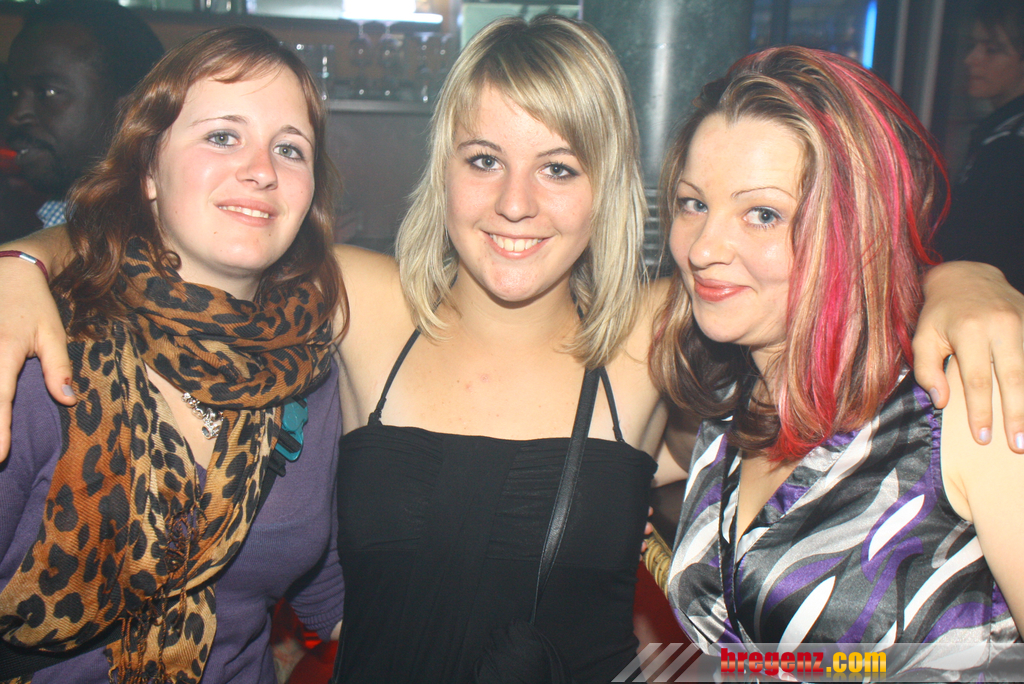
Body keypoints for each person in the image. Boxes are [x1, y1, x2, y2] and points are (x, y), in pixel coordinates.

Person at [2, 14, 1024, 684]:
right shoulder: (358, 300)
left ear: (608, 188)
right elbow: (179, 240)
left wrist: (966, 285)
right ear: (443, 171)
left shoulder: (655, 328)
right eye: (485, 159)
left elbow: (817, 275)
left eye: (559, 168)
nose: (516, 205)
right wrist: (24, 261)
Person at [656, 46, 1022, 666]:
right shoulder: (724, 405)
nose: (703, 248)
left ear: (857, 227)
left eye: (763, 214)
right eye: (695, 203)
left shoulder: (962, 407)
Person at [0, 26, 345, 684]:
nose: (262, 170)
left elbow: (322, 584)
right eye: (223, 136)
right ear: (149, 170)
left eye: (290, 149)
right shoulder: (39, 349)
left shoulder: (307, 368)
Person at [4, 0, 164, 235]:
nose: (15, 116)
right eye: (14, 93)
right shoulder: (55, 217)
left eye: (48, 92)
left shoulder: (147, 239)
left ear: (131, 110)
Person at [937, 0, 1024, 291]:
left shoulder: (1011, 145)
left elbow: (987, 247)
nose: (971, 59)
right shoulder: (997, 130)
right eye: (972, 46)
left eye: (992, 49)